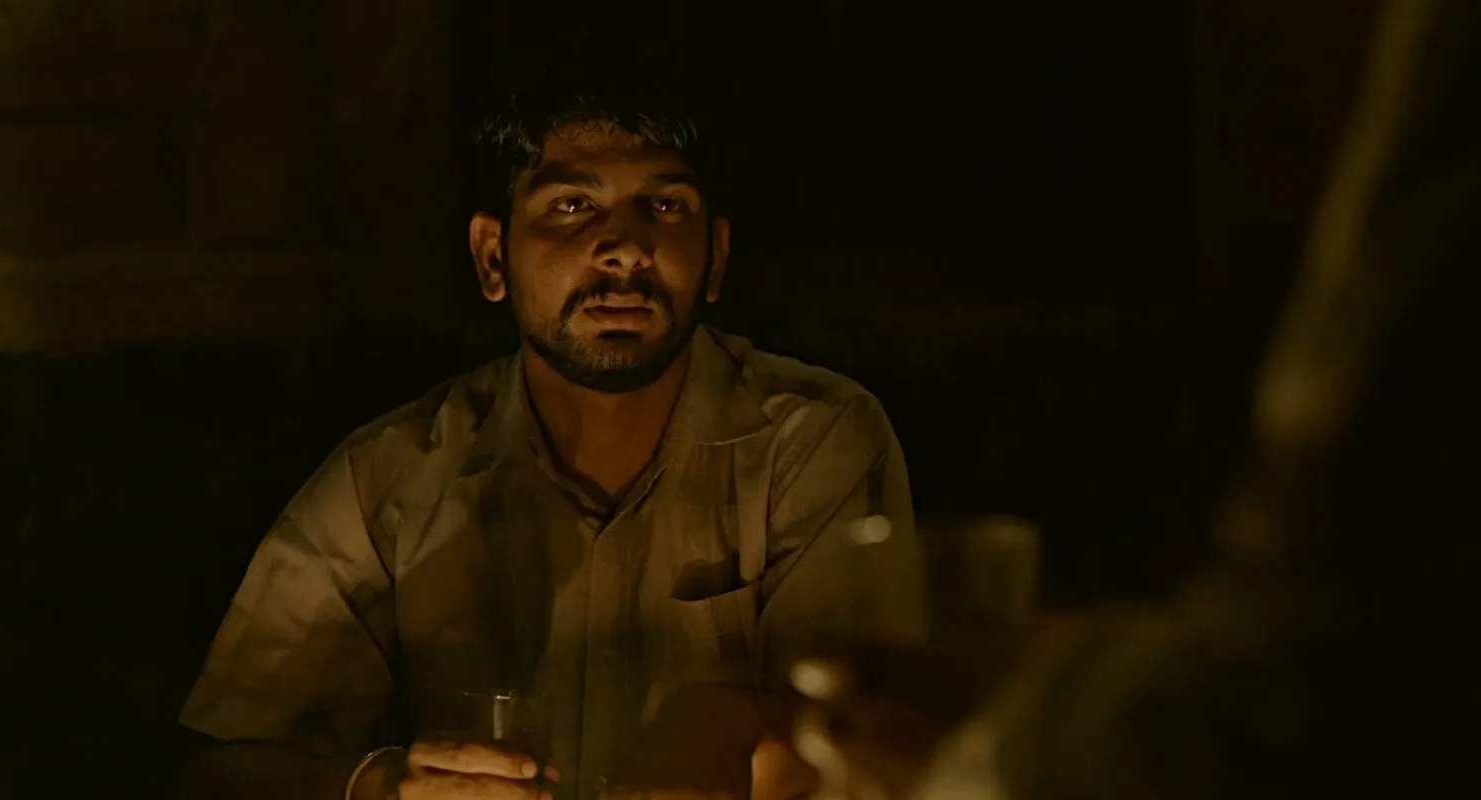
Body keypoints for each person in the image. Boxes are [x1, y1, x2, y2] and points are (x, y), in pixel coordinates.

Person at [176, 79, 924, 800]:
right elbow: (222, 771)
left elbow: (885, 731)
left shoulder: (811, 440)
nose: (625, 249)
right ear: (492, 257)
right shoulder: (391, 478)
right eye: (571, 206)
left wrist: (730, 724)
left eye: (665, 206)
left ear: (716, 259)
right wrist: (377, 786)